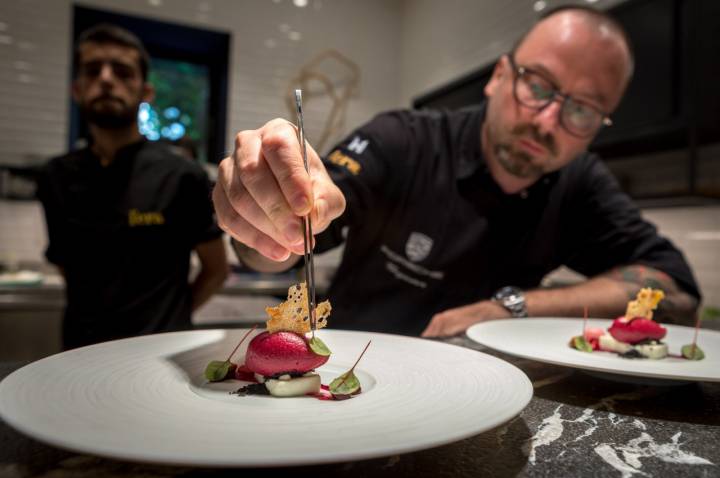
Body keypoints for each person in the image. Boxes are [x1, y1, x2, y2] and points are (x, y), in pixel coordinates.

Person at [213, 7, 700, 337]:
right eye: (538, 85)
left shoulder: (581, 185)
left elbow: (676, 289)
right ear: (499, 77)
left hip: (490, 406)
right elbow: (278, 250)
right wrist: (264, 217)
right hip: (349, 381)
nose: (547, 119)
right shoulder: (402, 140)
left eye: (583, 110)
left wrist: (510, 308)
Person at [37, 24, 228, 348]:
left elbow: (216, 269)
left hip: (159, 354)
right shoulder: (55, 176)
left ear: (146, 92)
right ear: (77, 89)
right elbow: (67, 266)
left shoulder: (182, 175)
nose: (107, 79)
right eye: (93, 70)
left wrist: (172, 320)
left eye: (123, 72)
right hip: (79, 355)